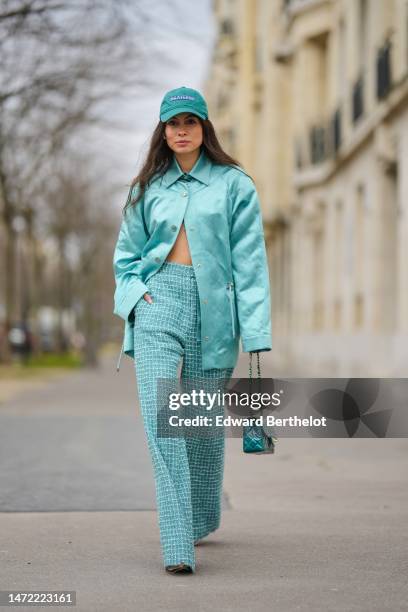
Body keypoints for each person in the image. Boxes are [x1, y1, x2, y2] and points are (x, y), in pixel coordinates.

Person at [112, 86, 272, 574]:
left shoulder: (234, 184)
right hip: (159, 302)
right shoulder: (146, 188)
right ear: (163, 131)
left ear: (205, 128)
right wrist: (139, 298)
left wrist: (257, 333)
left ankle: (200, 520)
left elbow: (250, 267)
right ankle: (176, 541)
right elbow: (126, 259)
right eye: (173, 123)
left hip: (215, 310)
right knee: (164, 421)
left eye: (190, 122)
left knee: (200, 427)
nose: (181, 130)